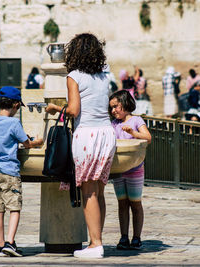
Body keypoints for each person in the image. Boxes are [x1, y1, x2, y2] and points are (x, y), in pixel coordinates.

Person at [45, 33, 116, 259]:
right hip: (107, 134)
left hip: (87, 134)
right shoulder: (104, 76)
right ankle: (98, 240)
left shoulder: (74, 76)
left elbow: (74, 110)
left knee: (88, 193)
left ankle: (95, 245)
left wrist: (55, 108)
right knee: (99, 191)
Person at [0, 86, 43, 257]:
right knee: (14, 208)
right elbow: (26, 143)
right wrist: (38, 142)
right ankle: (10, 243)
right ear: (16, 105)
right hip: (10, 171)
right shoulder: (14, 122)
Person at [109, 90, 151, 250]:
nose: (113, 111)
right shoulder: (114, 124)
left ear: (125, 103)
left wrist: (132, 133)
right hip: (119, 170)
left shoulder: (136, 120)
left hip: (134, 169)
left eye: (116, 107)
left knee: (135, 203)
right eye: (111, 108)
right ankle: (124, 236)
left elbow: (148, 138)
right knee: (122, 204)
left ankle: (137, 237)